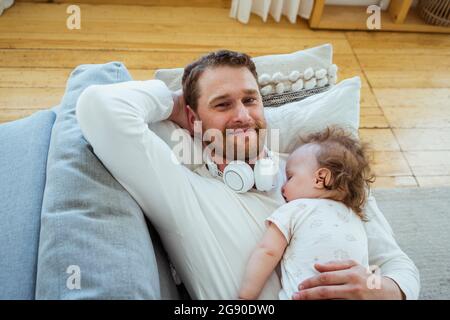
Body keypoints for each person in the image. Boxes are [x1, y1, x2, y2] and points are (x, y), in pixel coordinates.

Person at [76, 49, 420, 299]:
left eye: (250, 100)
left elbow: (399, 266)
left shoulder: (327, 170)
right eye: (223, 104)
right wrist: (177, 102)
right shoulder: (184, 186)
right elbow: (99, 108)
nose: (242, 115)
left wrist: (379, 289)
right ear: (195, 120)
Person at [239, 126, 374, 300]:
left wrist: (245, 298)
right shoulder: (356, 220)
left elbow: (268, 251)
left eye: (290, 177)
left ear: (320, 178)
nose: (282, 187)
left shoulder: (297, 208)